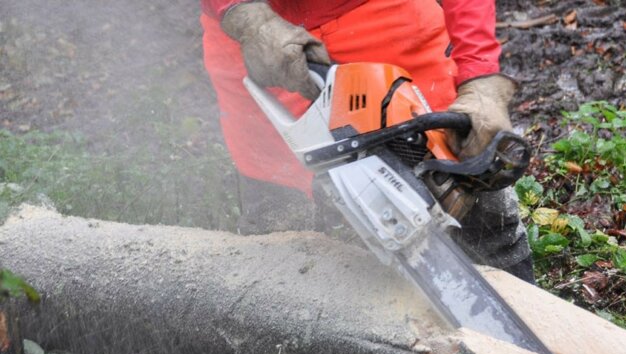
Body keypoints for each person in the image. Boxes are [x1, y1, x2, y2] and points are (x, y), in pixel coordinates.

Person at [200, 0, 535, 283]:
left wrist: (480, 76)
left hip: (385, 20)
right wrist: (249, 20)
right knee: (281, 240)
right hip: (259, 42)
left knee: (473, 206)